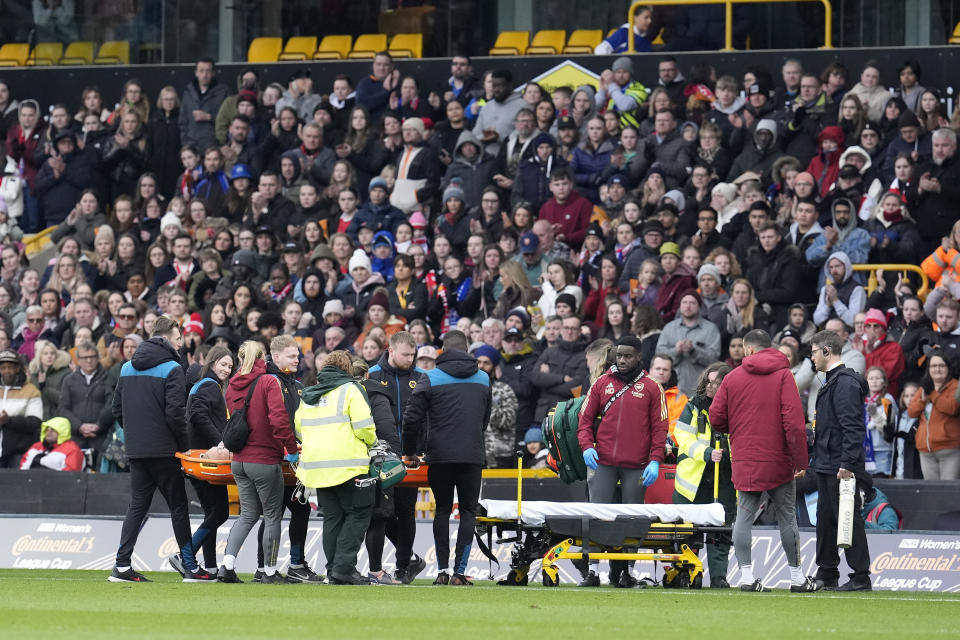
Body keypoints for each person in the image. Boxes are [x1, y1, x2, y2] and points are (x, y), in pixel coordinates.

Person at [109, 317, 214, 583]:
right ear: (166, 338)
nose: (180, 344)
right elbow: (176, 416)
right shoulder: (172, 368)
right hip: (164, 450)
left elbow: (117, 410)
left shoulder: (126, 368)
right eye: (178, 339)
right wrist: (183, 447)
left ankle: (121, 567)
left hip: (136, 450)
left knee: (137, 507)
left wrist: (134, 434)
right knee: (178, 507)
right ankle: (190, 567)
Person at [709, 330, 814, 593]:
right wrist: (800, 460)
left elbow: (716, 418)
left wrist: (738, 428)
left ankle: (746, 577)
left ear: (747, 349)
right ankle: (798, 578)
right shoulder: (783, 376)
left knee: (744, 516)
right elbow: (794, 424)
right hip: (778, 459)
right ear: (770, 348)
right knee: (787, 517)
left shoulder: (732, 378)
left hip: (745, 457)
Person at [576, 336, 668, 588]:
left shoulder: (652, 387)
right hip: (602, 461)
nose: (623, 360)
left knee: (632, 518)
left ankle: (628, 570)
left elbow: (660, 429)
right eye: (619, 356)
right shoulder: (600, 384)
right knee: (596, 514)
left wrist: (655, 461)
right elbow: (583, 422)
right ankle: (593, 571)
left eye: (628, 356)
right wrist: (586, 447)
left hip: (637, 464)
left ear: (639, 356)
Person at [401, 330, 491, 586]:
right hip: (472, 455)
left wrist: (410, 451)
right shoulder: (484, 378)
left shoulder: (429, 377)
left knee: (442, 510)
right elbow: (485, 419)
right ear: (467, 348)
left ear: (443, 349)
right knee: (467, 511)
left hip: (439, 455)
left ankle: (441, 571)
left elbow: (411, 418)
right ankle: (459, 573)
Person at [218, 340, 299, 584]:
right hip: (264, 460)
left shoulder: (232, 385)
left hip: (239, 460)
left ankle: (227, 566)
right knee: (272, 516)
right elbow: (278, 419)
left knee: (247, 516)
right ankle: (270, 572)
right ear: (264, 358)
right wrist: (292, 449)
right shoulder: (268, 381)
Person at [294, 350, 377, 585]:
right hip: (349, 465)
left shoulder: (308, 395)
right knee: (358, 513)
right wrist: (373, 444)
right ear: (347, 368)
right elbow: (364, 427)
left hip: (316, 468)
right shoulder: (351, 390)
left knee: (332, 518)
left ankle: (333, 569)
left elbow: (299, 430)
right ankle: (344, 568)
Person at [809, 329, 872, 591]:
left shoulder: (844, 383)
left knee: (847, 518)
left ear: (826, 351)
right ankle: (827, 572)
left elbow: (853, 428)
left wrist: (847, 463)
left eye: (813, 352)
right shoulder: (834, 381)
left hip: (839, 465)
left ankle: (860, 576)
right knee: (826, 519)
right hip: (826, 463)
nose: (811, 357)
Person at [367, 331, 428, 584]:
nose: (410, 359)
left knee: (406, 511)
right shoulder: (373, 376)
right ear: (390, 351)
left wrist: (421, 448)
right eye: (406, 354)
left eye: (413, 355)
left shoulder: (420, 378)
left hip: (410, 455)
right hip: (382, 457)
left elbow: (425, 417)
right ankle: (405, 559)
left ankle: (403, 565)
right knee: (381, 513)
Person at [673, 363, 735, 588]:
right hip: (692, 483)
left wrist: (729, 453)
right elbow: (683, 438)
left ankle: (719, 577)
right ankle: (686, 572)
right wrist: (708, 453)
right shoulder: (693, 406)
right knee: (686, 532)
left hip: (725, 480)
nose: (711, 386)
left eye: (717, 383)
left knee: (722, 531)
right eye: (709, 381)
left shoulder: (736, 407)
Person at [185, 345, 234, 576]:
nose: (226, 369)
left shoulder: (201, 385)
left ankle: (211, 567)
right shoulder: (211, 386)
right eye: (223, 364)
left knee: (212, 512)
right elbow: (197, 415)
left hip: (197, 457)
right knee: (220, 512)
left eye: (230, 366)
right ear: (212, 363)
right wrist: (220, 443)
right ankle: (185, 555)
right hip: (207, 459)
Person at [656, 290, 722, 398]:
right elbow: (658, 356)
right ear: (680, 306)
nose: (688, 306)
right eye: (684, 302)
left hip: (700, 390)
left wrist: (694, 351)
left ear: (699, 306)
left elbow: (714, 360)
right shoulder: (669, 328)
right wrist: (676, 350)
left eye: (692, 303)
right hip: (672, 390)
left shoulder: (710, 329)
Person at [906, 350, 960, 480]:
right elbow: (911, 412)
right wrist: (923, 399)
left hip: (949, 449)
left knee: (948, 492)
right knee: (932, 493)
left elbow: (953, 408)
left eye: (941, 365)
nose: (937, 369)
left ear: (948, 368)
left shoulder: (955, 386)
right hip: (925, 451)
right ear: (929, 369)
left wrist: (932, 394)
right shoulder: (925, 387)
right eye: (934, 366)